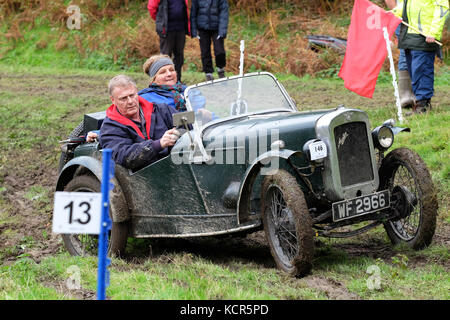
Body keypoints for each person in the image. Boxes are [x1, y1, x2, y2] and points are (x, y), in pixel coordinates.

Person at [99, 75, 180, 171]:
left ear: (137, 93)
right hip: (141, 177)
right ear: (113, 100)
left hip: (175, 167)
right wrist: (158, 144)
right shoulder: (110, 127)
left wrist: (199, 118)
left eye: (132, 95)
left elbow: (189, 127)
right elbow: (124, 157)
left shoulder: (162, 110)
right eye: (123, 98)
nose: (130, 101)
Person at [391, 0, 449, 114]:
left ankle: (423, 105)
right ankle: (420, 102)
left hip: (425, 36)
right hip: (409, 34)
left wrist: (434, 31)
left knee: (421, 70)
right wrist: (392, 13)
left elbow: (442, 8)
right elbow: (405, 6)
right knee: (414, 71)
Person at [147, 0, 190, 82]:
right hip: (166, 30)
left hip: (181, 28)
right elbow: (152, 8)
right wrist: (160, 21)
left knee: (179, 55)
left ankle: (178, 79)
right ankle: (162, 80)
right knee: (165, 56)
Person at [385, 0, 415, 108]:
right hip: (402, 17)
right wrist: (397, 15)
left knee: (420, 53)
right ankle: (405, 94)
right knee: (405, 51)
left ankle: (420, 94)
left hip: (422, 18)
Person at [190, 0, 229, 81]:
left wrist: (222, 31)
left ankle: (220, 69)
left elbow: (224, 13)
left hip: (217, 28)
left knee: (219, 51)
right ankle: (208, 74)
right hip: (202, 28)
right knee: (205, 52)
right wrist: (194, 31)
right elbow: (193, 13)